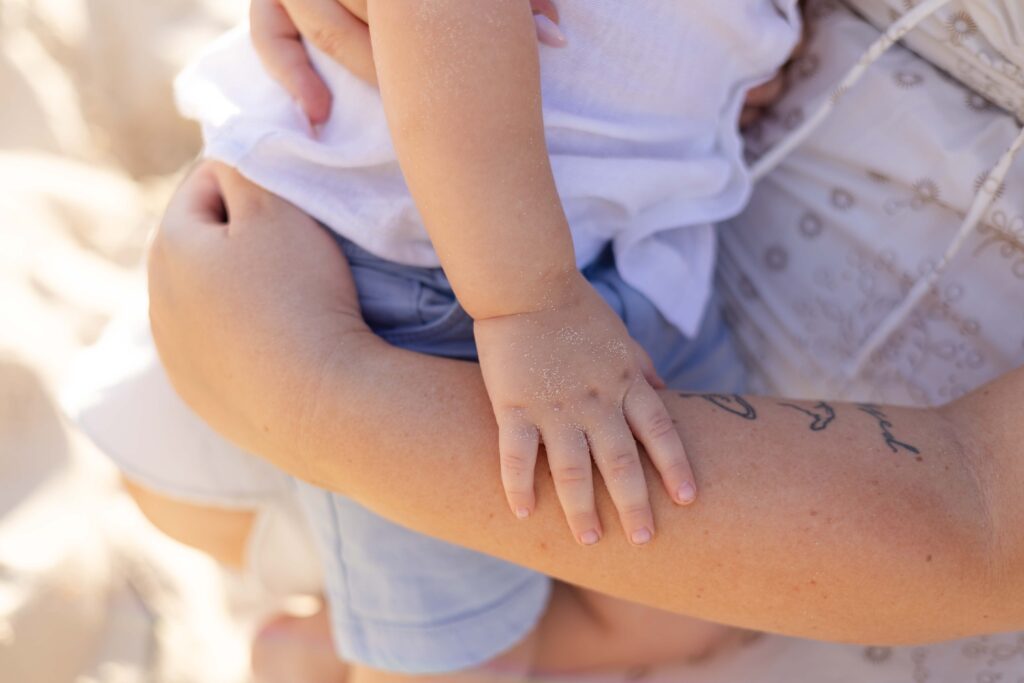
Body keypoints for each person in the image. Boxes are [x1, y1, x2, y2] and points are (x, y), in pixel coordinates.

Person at [68, 0, 1024, 680]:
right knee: (455, 660)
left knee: (690, 619)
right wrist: (527, 306)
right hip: (431, 270)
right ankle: (404, 646)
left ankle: (332, 646)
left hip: (625, 269)